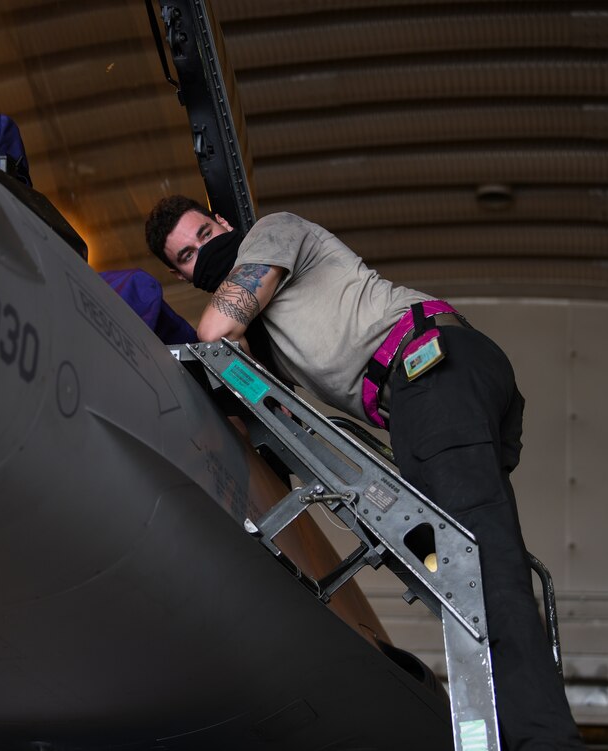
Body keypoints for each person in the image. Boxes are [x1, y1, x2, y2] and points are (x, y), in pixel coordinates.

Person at [145, 195, 584, 750]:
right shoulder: (271, 338)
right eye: (186, 256)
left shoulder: (272, 234)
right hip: (428, 390)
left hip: (432, 365)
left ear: (226, 224)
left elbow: (213, 331)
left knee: (475, 566)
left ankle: (541, 741)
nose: (203, 252)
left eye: (206, 233)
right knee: (478, 560)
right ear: (178, 272)